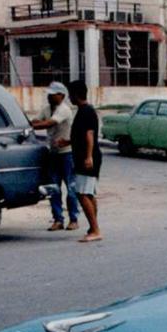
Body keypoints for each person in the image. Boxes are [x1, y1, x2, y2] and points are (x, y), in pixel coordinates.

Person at [28, 81, 77, 230]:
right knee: (53, 187)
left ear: (61, 95)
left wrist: (31, 125)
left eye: (53, 94)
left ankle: (73, 218)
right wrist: (34, 122)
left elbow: (48, 123)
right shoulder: (47, 108)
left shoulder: (64, 109)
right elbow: (37, 119)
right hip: (54, 153)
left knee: (71, 188)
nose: (49, 97)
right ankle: (58, 219)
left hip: (67, 153)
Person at [68, 80, 103, 242]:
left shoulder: (86, 112)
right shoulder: (83, 111)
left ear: (76, 94)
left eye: (70, 94)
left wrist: (88, 156)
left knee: (82, 194)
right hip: (86, 156)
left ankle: (95, 230)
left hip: (87, 158)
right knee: (88, 193)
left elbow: (90, 135)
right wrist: (67, 142)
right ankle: (93, 227)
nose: (69, 97)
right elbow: (81, 136)